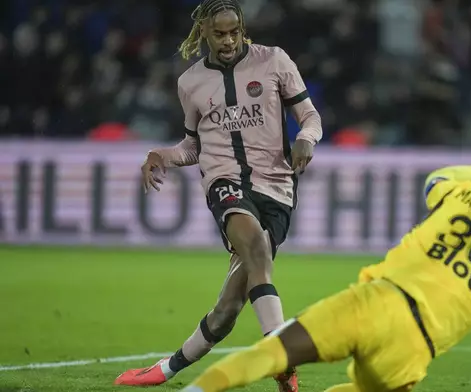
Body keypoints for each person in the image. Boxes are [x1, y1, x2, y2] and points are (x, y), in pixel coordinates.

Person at [178, 146, 471, 392]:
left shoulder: (460, 194)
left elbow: (437, 177)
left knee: (273, 354)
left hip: (373, 301)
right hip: (412, 349)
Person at [114, 1, 322, 391]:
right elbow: (193, 147)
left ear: (242, 29)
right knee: (256, 247)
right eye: (219, 33)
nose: (228, 41)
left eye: (234, 32)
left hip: (277, 186)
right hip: (224, 182)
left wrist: (306, 140)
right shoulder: (191, 82)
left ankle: (165, 370)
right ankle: (281, 359)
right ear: (204, 33)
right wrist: (161, 155)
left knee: (228, 309)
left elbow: (310, 116)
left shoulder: (275, 61)